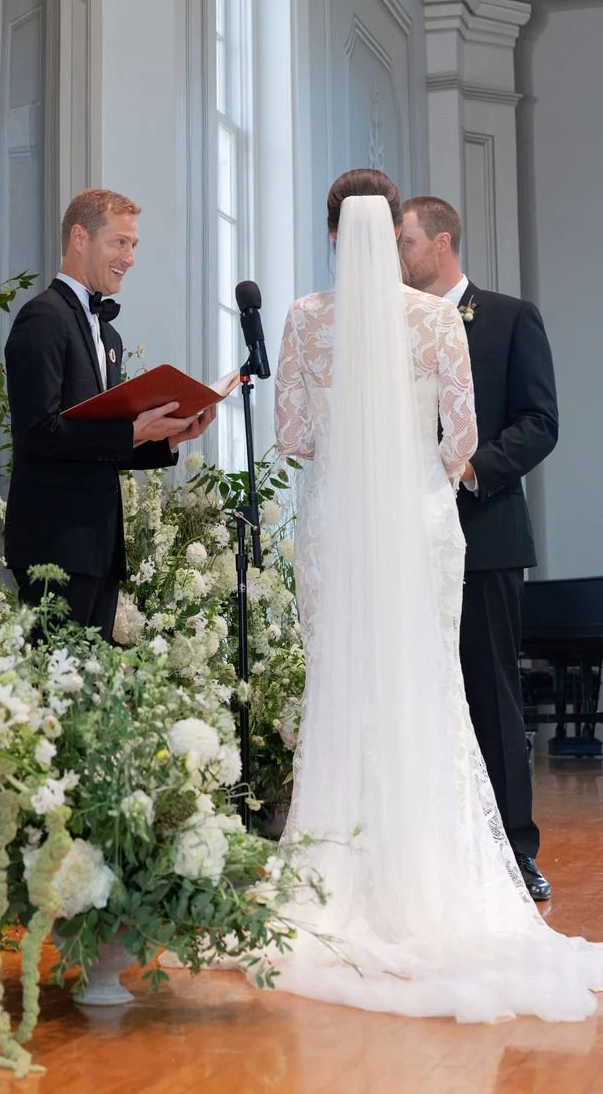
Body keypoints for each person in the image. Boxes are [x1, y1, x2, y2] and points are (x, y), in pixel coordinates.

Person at [268, 168, 602, 1021]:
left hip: (340, 525)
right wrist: (416, 462)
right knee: (429, 693)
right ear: (392, 231)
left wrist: (354, 454)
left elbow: (294, 437)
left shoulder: (304, 318)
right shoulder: (433, 321)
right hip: (419, 524)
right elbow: (462, 439)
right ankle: (437, 875)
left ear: (334, 232)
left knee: (348, 691)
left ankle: (344, 872)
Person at [399, 196, 557, 902]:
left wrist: (471, 468)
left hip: (485, 533)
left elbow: (540, 421)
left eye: (405, 242)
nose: (397, 255)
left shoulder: (508, 317)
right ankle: (433, 851)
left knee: (492, 695)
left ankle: (515, 852)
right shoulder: (396, 324)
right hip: (407, 538)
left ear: (441, 242)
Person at [3, 189, 215, 639]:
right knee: (53, 677)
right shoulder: (42, 318)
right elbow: (38, 433)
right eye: (120, 242)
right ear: (80, 238)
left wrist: (166, 438)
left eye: (133, 245)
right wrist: (130, 432)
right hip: (54, 544)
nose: (130, 258)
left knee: (89, 681)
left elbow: (99, 445)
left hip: (98, 548)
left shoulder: (108, 335)